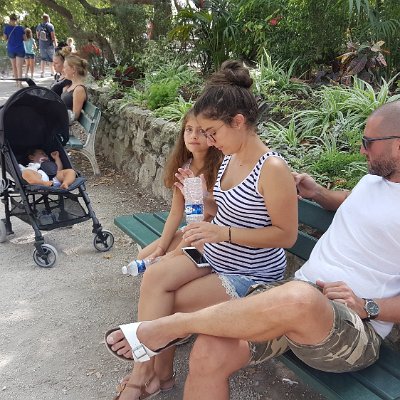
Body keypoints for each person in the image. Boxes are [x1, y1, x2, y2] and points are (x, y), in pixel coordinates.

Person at [106, 100, 400, 400]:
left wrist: (369, 306)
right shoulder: (372, 181)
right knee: (209, 350)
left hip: (351, 327)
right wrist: (318, 193)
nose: (361, 149)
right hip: (296, 296)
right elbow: (351, 201)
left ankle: (169, 327)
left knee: (300, 298)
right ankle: (167, 333)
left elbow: (285, 240)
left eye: (369, 142)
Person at [105, 60, 298, 400]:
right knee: (155, 277)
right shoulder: (229, 158)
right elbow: (224, 209)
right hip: (214, 253)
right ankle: (154, 374)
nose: (208, 140)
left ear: (238, 122)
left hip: (250, 271)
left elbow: (286, 235)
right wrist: (199, 195)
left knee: (170, 302)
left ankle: (147, 376)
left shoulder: (272, 168)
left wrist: (222, 233)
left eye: (212, 132)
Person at [137, 108, 223, 261]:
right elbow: (176, 213)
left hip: (212, 234)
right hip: (191, 229)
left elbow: (207, 217)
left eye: (201, 131)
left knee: (162, 263)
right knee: (143, 256)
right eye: (189, 129)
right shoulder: (185, 168)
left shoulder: (218, 168)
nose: (194, 136)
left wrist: (176, 252)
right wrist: (160, 249)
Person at [61, 54, 88, 122]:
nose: (63, 70)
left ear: (73, 69)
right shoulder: (71, 85)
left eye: (65, 67)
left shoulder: (79, 89)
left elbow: (74, 117)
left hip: (64, 124)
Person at [2, 13, 26, 87]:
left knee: (14, 66)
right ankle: (20, 83)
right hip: (20, 49)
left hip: (11, 49)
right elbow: (25, 38)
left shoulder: (6, 28)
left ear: (10, 20)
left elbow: (5, 38)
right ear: (16, 20)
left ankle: (16, 82)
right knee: (19, 67)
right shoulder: (21, 28)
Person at [36, 13, 57, 78]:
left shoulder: (39, 26)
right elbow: (52, 36)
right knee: (51, 59)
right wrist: (55, 43)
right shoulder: (50, 25)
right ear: (48, 19)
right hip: (49, 45)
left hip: (42, 45)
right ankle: (52, 72)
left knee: (43, 59)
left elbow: (37, 36)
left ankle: (42, 73)